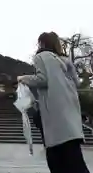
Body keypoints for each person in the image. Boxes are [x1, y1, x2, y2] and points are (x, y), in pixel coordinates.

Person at [18, 32, 90, 173]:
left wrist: (23, 78)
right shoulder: (65, 61)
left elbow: (42, 79)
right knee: (76, 164)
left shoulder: (41, 56)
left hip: (56, 125)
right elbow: (76, 83)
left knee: (58, 164)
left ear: (42, 43)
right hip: (71, 124)